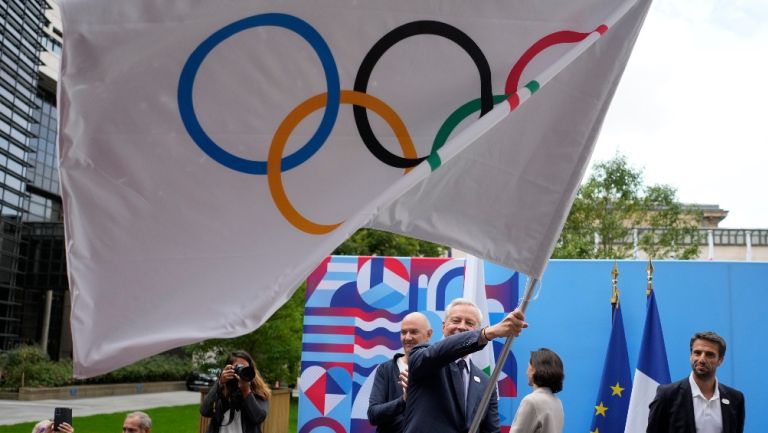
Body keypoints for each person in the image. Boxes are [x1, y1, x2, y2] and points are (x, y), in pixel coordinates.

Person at [403, 298, 528, 433]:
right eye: (456, 321)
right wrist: (487, 333)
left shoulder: (486, 382)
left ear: (476, 329)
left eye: (469, 323)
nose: (462, 326)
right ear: (443, 326)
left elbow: (491, 430)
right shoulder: (421, 356)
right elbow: (436, 354)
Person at [647, 331, 745, 433]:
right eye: (697, 353)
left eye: (709, 354)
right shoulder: (667, 395)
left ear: (720, 360)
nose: (702, 359)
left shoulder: (735, 399)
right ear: (691, 356)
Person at [368, 311, 433, 433]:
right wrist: (403, 400)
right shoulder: (385, 370)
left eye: (414, 332)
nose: (407, 337)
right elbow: (373, 414)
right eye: (403, 332)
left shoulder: (438, 369)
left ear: (429, 334)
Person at [200, 350, 271, 433]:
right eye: (238, 367)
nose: (242, 371)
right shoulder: (222, 389)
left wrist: (247, 392)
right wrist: (219, 383)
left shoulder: (259, 391)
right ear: (228, 369)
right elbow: (205, 411)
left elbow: (258, 418)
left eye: (245, 368)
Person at [509, 348, 564, 433]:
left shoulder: (531, 401)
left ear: (534, 369)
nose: (526, 372)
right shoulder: (557, 402)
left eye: (528, 366)